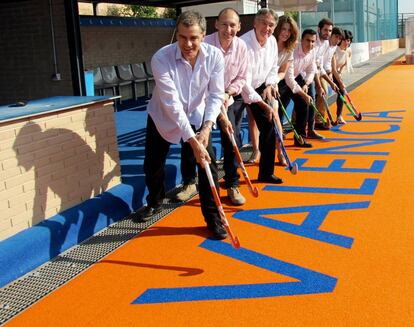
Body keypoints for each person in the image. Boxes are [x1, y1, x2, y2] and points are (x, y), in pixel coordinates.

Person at [133, 11, 228, 240]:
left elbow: (216, 95)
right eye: (183, 37)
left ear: (203, 36)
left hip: (197, 116)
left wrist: (206, 128)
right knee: (153, 164)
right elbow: (172, 104)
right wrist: (192, 140)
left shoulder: (215, 57)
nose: (188, 44)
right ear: (177, 35)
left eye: (193, 38)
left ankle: (213, 218)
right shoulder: (161, 58)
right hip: (163, 116)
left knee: (207, 164)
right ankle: (154, 202)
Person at [174, 8, 248, 206]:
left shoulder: (242, 47)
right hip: (200, 98)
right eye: (224, 24)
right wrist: (214, 102)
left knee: (231, 136)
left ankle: (232, 183)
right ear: (216, 24)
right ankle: (189, 182)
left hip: (227, 97)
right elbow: (196, 77)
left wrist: (228, 93)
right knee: (192, 136)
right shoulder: (203, 42)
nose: (228, 29)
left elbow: (242, 77)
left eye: (233, 25)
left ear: (239, 27)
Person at [247, 14, 299, 166]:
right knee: (252, 118)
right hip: (255, 83)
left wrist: (273, 83)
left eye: (289, 30)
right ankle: (256, 150)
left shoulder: (289, 49)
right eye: (283, 28)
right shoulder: (267, 41)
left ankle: (280, 152)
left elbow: (282, 72)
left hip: (272, 84)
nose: (285, 33)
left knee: (274, 115)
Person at [240, 8, 283, 184]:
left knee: (268, 128)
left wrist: (270, 84)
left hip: (257, 86)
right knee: (232, 135)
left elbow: (273, 68)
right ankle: (231, 180)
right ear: (255, 23)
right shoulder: (243, 44)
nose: (267, 28)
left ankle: (266, 173)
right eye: (264, 23)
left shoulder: (272, 41)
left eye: (271, 25)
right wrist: (261, 102)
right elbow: (243, 80)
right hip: (234, 89)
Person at [282, 29, 317, 148]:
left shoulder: (312, 52)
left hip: (295, 78)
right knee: (280, 109)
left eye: (313, 41)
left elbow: (312, 71)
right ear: (301, 40)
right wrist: (303, 93)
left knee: (303, 104)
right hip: (281, 79)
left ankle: (300, 137)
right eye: (307, 40)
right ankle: (277, 139)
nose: (310, 44)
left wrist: (306, 84)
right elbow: (288, 79)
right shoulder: (293, 50)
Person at [307, 18, 337, 139]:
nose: (327, 33)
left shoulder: (325, 43)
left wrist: (331, 82)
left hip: (316, 71)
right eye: (325, 30)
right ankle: (299, 123)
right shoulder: (313, 41)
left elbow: (319, 65)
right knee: (309, 98)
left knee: (323, 93)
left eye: (330, 31)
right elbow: (312, 65)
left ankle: (318, 121)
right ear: (319, 29)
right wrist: (318, 85)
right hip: (305, 73)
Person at [315, 26, 344, 128]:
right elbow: (319, 62)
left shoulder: (333, 47)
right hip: (314, 70)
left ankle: (318, 119)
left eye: (340, 38)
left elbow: (327, 62)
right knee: (323, 92)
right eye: (336, 37)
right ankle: (316, 120)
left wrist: (329, 73)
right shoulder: (326, 44)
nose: (338, 40)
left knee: (324, 93)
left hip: (321, 71)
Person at [332, 29, 353, 124]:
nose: (346, 42)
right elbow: (332, 69)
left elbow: (346, 63)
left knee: (341, 92)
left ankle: (339, 116)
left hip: (337, 73)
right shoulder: (335, 50)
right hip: (328, 72)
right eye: (344, 40)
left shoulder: (349, 50)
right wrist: (340, 81)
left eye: (348, 40)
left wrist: (340, 72)